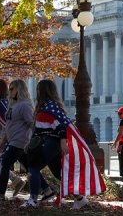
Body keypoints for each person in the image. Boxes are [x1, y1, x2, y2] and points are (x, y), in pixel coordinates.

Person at [21, 79, 76, 209]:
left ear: (42, 91)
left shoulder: (48, 107)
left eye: (38, 90)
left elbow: (59, 127)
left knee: (33, 168)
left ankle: (33, 199)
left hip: (49, 142)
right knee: (58, 172)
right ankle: (79, 197)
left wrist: (63, 141)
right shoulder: (51, 106)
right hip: (51, 143)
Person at [0, 79, 33, 201]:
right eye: (9, 89)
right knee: (30, 167)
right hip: (11, 139)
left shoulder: (25, 105)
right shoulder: (12, 104)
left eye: (12, 89)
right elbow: (7, 124)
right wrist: (4, 139)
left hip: (19, 140)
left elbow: (31, 123)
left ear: (19, 89)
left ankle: (0, 194)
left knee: (3, 162)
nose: (10, 91)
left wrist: (30, 140)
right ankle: (47, 190)